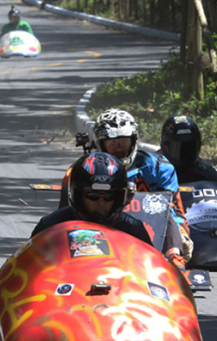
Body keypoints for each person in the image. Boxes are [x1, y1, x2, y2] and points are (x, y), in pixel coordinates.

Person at [59, 108, 193, 261]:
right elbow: (65, 214)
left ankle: (176, 262)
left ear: (134, 141)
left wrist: (181, 236)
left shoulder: (160, 168)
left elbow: (174, 210)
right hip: (92, 237)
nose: (118, 147)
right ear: (100, 144)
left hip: (146, 238)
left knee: (169, 218)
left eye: (124, 142)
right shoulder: (78, 171)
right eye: (112, 143)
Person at [32, 152, 154, 248]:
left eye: (109, 196)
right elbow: (26, 262)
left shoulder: (134, 229)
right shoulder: (50, 225)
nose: (101, 203)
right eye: (93, 195)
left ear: (119, 197)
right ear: (78, 195)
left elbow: (151, 266)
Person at [160, 115, 217, 184]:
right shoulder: (155, 168)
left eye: (188, 147)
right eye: (177, 147)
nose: (184, 152)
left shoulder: (204, 170)